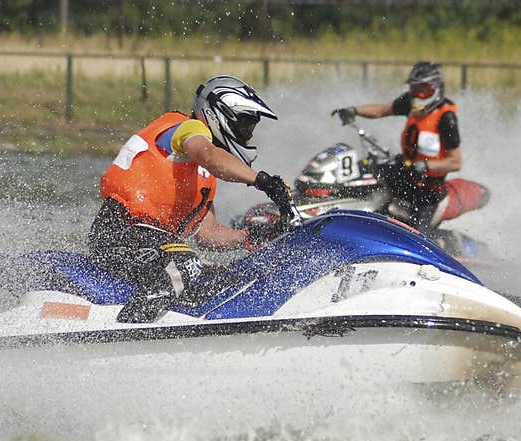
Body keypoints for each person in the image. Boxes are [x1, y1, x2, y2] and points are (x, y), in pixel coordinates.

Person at [90, 75, 293, 323]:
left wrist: (251, 237)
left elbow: (207, 234)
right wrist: (263, 181)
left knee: (220, 277)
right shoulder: (188, 129)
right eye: (245, 127)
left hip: (151, 242)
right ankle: (127, 332)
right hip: (119, 231)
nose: (248, 138)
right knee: (186, 264)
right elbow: (209, 155)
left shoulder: (201, 175)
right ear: (219, 115)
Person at [330, 61, 462, 230]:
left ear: (436, 88)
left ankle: (442, 243)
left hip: (427, 191)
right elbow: (383, 110)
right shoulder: (411, 102)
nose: (418, 95)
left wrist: (426, 165)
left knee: (415, 235)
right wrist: (354, 110)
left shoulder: (446, 119)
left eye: (423, 89)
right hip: (404, 173)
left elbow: (455, 162)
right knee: (362, 176)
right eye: (414, 89)